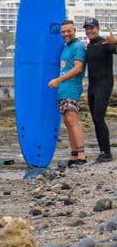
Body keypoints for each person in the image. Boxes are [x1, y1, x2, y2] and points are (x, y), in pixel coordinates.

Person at [50, 20, 87, 166]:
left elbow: (78, 68)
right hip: (62, 91)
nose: (66, 34)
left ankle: (82, 155)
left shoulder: (78, 46)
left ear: (74, 30)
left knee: (72, 120)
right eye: (63, 31)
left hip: (71, 89)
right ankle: (74, 154)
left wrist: (58, 80)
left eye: (68, 31)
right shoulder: (66, 47)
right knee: (67, 121)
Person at [82, 18, 117, 163]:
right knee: (96, 119)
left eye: (92, 28)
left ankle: (106, 153)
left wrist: (115, 42)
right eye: (87, 28)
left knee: (98, 117)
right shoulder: (89, 46)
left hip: (104, 84)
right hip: (92, 86)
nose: (90, 31)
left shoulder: (105, 43)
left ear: (98, 28)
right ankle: (103, 152)